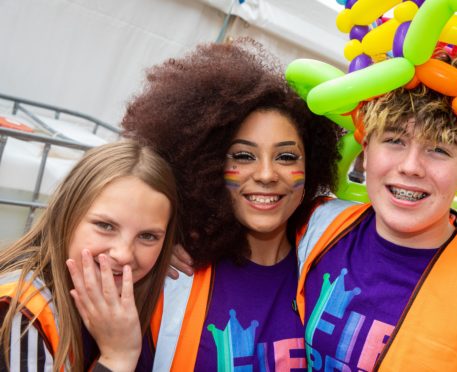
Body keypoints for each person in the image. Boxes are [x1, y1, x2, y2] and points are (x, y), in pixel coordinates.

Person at [295, 55, 457, 370]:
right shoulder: (310, 223)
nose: (410, 167)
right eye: (394, 140)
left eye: (439, 149)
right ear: (365, 150)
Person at [122, 39, 341, 370]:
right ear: (207, 166)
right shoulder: (172, 273)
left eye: (285, 156)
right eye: (243, 156)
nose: (267, 174)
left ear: (311, 166)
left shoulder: (332, 268)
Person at [0, 141, 177, 371]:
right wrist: (118, 357)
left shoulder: (134, 297)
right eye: (105, 225)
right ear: (66, 214)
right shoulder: (20, 311)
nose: (123, 255)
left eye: (148, 236)